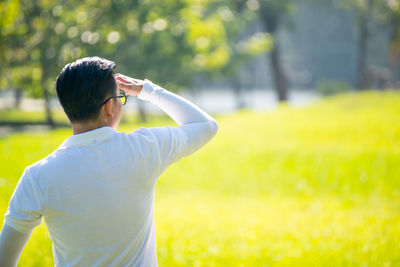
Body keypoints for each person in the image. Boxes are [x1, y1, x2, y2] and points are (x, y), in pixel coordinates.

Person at [0, 57, 218, 266]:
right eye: (120, 98)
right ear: (109, 107)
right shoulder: (144, 149)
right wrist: (148, 90)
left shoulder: (37, 176)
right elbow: (206, 125)